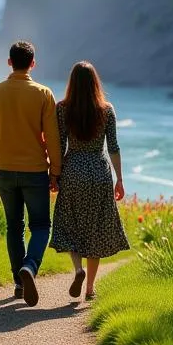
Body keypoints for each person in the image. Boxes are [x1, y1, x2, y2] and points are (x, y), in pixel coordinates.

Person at [0, 40, 61, 307]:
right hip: (35, 170)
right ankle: (30, 267)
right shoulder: (44, 94)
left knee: (14, 226)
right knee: (40, 226)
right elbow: (53, 137)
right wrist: (56, 171)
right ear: (33, 64)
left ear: (9, 62)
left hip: (3, 169)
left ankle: (18, 281)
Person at [50, 61, 130, 301]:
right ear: (95, 82)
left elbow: (59, 144)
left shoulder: (62, 109)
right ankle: (90, 290)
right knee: (95, 230)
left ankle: (78, 269)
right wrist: (119, 179)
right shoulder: (106, 110)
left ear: (72, 83)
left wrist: (54, 175)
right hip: (99, 172)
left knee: (70, 223)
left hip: (73, 169)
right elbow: (113, 147)